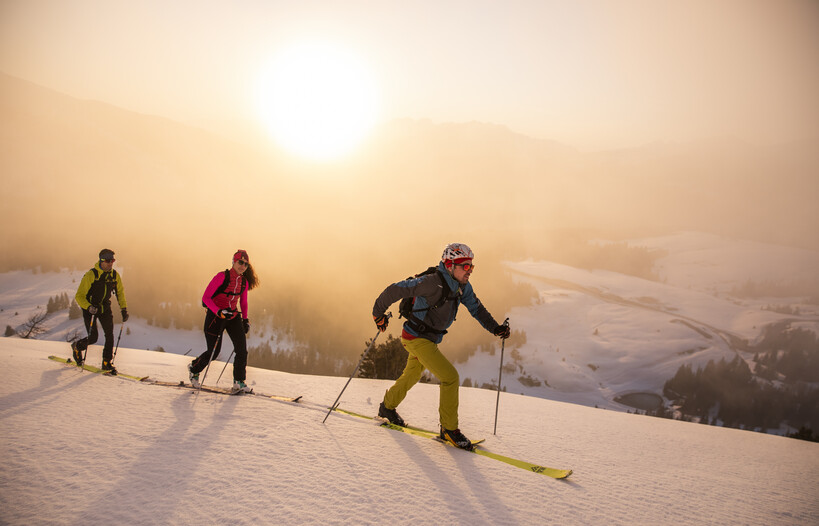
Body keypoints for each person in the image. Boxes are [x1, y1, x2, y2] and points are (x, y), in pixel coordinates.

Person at [371, 242, 511, 450]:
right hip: (416, 338)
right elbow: (396, 289)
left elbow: (476, 308)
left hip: (428, 339)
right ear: (449, 265)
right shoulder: (431, 283)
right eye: (465, 266)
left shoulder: (462, 287)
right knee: (450, 377)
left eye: (471, 266)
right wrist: (378, 313)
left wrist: (495, 328)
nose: (469, 270)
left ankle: (387, 408)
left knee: (412, 374)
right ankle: (449, 429)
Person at [188, 249, 259, 392]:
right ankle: (194, 369)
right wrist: (219, 312)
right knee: (214, 352)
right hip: (216, 317)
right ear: (233, 261)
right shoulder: (222, 276)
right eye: (240, 262)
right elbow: (205, 298)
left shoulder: (243, 282)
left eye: (245, 264)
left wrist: (245, 320)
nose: (242, 266)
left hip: (232, 316)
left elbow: (243, 303)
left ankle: (239, 381)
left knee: (241, 350)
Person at [71, 248, 129, 373]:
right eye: (108, 260)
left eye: (112, 260)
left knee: (110, 335)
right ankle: (77, 347)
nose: (110, 263)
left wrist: (123, 309)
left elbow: (120, 293)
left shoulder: (114, 275)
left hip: (104, 308)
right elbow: (79, 296)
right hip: (90, 309)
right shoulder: (92, 275)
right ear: (101, 261)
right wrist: (88, 307)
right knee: (93, 338)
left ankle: (106, 362)